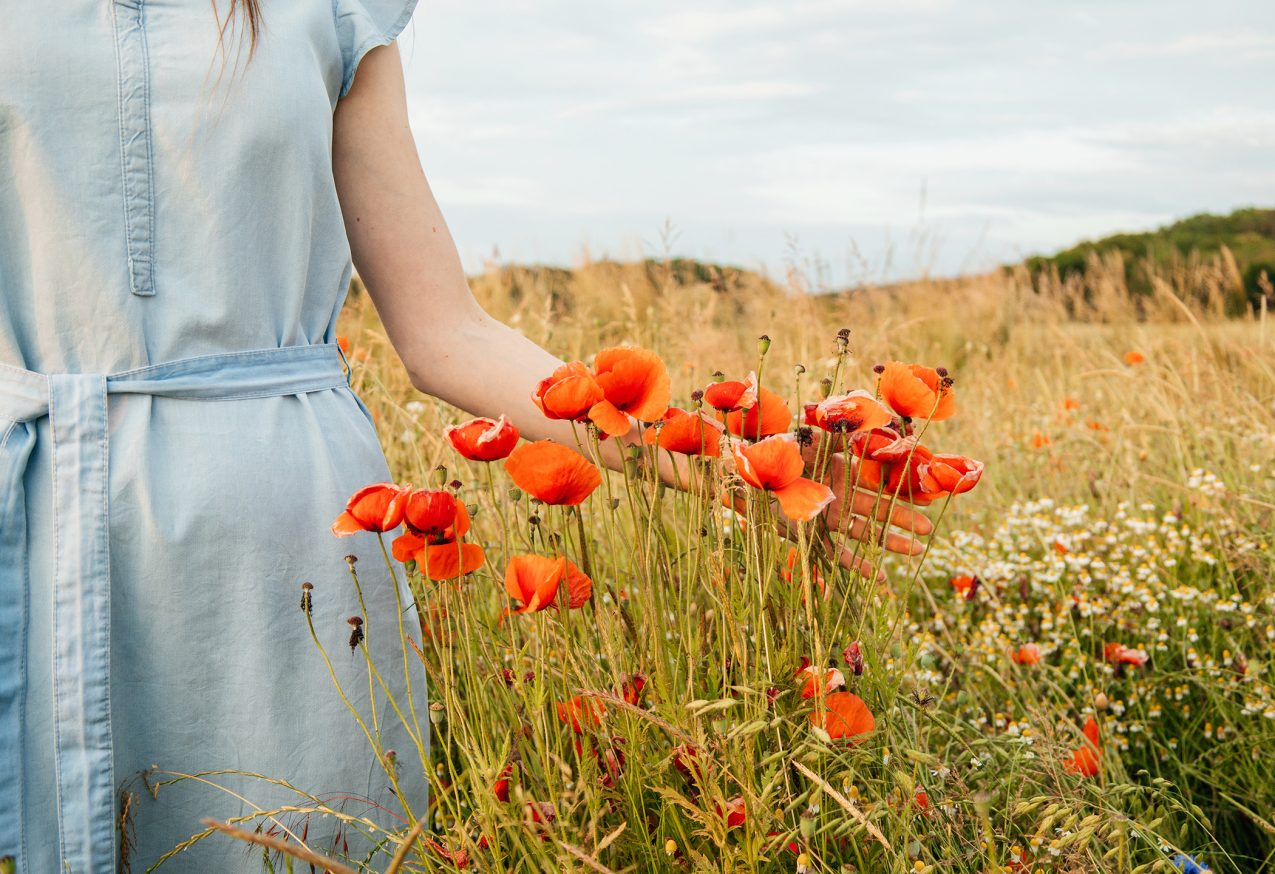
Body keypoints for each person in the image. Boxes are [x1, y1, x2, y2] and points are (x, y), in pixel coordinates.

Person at [0, 1, 931, 871]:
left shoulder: (328, 9)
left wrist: (721, 463)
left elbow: (448, 332)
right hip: (32, 511)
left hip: (284, 548)